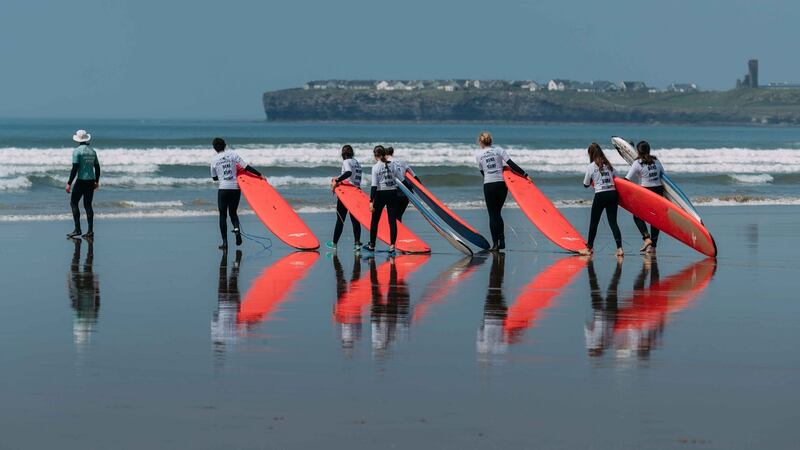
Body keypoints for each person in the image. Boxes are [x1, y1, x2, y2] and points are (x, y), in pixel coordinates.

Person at [474, 132, 531, 250]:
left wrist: (489, 177)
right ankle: (502, 240)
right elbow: (511, 165)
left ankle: (495, 244)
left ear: (480, 142)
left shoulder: (479, 155)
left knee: (492, 215)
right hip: (501, 184)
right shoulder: (499, 150)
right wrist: (525, 175)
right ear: (491, 141)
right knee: (498, 213)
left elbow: (483, 172)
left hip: (489, 185)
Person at [210, 137, 264, 249]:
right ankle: (237, 231)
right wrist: (259, 174)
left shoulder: (214, 160)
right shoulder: (233, 155)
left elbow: (214, 178)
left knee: (223, 215)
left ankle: (225, 243)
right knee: (233, 213)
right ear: (225, 145)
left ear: (214, 148)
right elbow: (246, 167)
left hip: (223, 189)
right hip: (235, 188)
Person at [581, 143, 624, 257]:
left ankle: (589, 248)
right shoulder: (609, 165)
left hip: (600, 195)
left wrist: (592, 180)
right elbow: (617, 178)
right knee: (613, 222)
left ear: (591, 154)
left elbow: (585, 184)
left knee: (594, 223)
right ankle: (619, 249)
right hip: (613, 194)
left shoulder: (591, 167)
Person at [625, 140, 665, 253]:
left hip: (646, 193)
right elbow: (663, 174)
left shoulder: (638, 163)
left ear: (638, 151)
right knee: (655, 220)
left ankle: (646, 238)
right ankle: (653, 247)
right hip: (658, 191)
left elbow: (627, 179)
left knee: (637, 216)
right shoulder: (656, 160)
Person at [66, 130, 100, 238]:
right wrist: (96, 181)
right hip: (91, 181)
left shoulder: (77, 151)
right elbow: (97, 168)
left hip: (81, 181)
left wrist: (69, 183)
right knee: (88, 205)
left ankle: (77, 229)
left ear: (78, 140)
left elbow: (75, 168)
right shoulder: (92, 151)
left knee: (73, 203)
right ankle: (90, 231)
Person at [367, 145, 401, 254]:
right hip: (393, 193)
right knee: (392, 221)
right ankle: (392, 246)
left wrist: (371, 201)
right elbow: (401, 179)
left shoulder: (376, 167)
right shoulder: (393, 165)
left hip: (381, 194)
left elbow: (374, 186)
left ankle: (372, 245)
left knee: (375, 221)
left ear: (375, 155)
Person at [328, 145, 363, 251]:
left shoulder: (346, 162)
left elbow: (348, 173)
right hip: (357, 191)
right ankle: (357, 244)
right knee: (355, 220)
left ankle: (334, 244)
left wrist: (337, 180)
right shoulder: (357, 163)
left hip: (348, 193)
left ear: (343, 154)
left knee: (340, 219)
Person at [385, 146, 419, 222]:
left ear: (385, 154)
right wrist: (420, 189)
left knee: (393, 217)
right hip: (405, 193)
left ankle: (395, 233)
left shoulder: (386, 164)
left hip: (393, 192)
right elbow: (414, 176)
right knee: (399, 216)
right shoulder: (402, 162)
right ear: (392, 153)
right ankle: (399, 233)